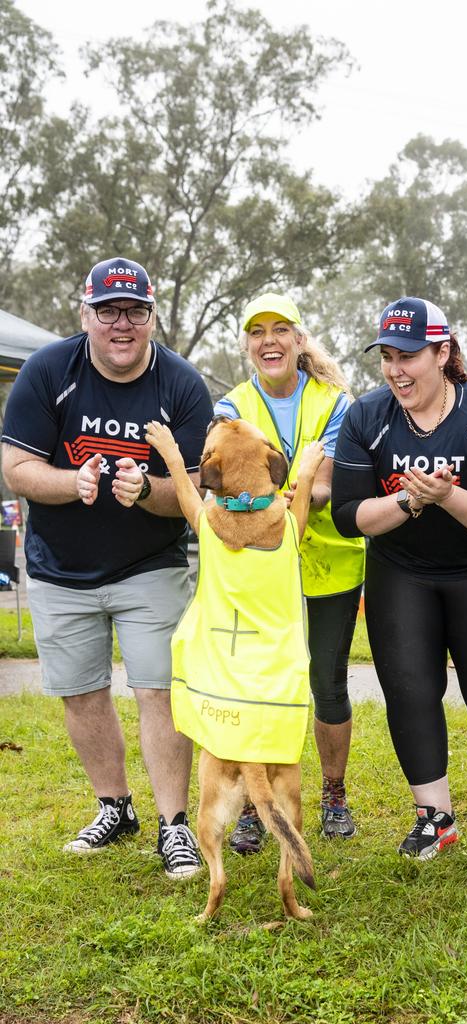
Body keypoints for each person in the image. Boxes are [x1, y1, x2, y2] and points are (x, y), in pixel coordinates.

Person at [1, 256, 213, 879]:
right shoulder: (48, 370)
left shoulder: (181, 383)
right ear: (86, 314)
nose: (122, 324)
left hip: (150, 565)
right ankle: (114, 807)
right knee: (82, 693)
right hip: (61, 567)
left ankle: (175, 827)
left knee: (159, 689)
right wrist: (75, 481)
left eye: (135, 311)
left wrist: (148, 489)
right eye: (108, 311)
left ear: (152, 316)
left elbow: (196, 490)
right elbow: (15, 470)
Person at [331, 297, 467, 861]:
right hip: (402, 574)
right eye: (388, 357)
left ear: (443, 353)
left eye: (410, 356)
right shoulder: (368, 417)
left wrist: (447, 496)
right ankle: (434, 817)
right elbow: (349, 516)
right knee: (412, 691)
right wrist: (409, 501)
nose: (397, 370)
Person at [213, 293, 365, 844]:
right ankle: (255, 803)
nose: (269, 340)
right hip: (254, 568)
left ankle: (334, 796)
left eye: (281, 329)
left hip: (329, 562)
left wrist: (291, 490)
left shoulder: (336, 401)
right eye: (258, 332)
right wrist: (291, 486)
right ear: (248, 345)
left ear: (300, 340)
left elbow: (326, 487)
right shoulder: (230, 407)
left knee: (327, 683)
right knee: (257, 684)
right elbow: (227, 486)